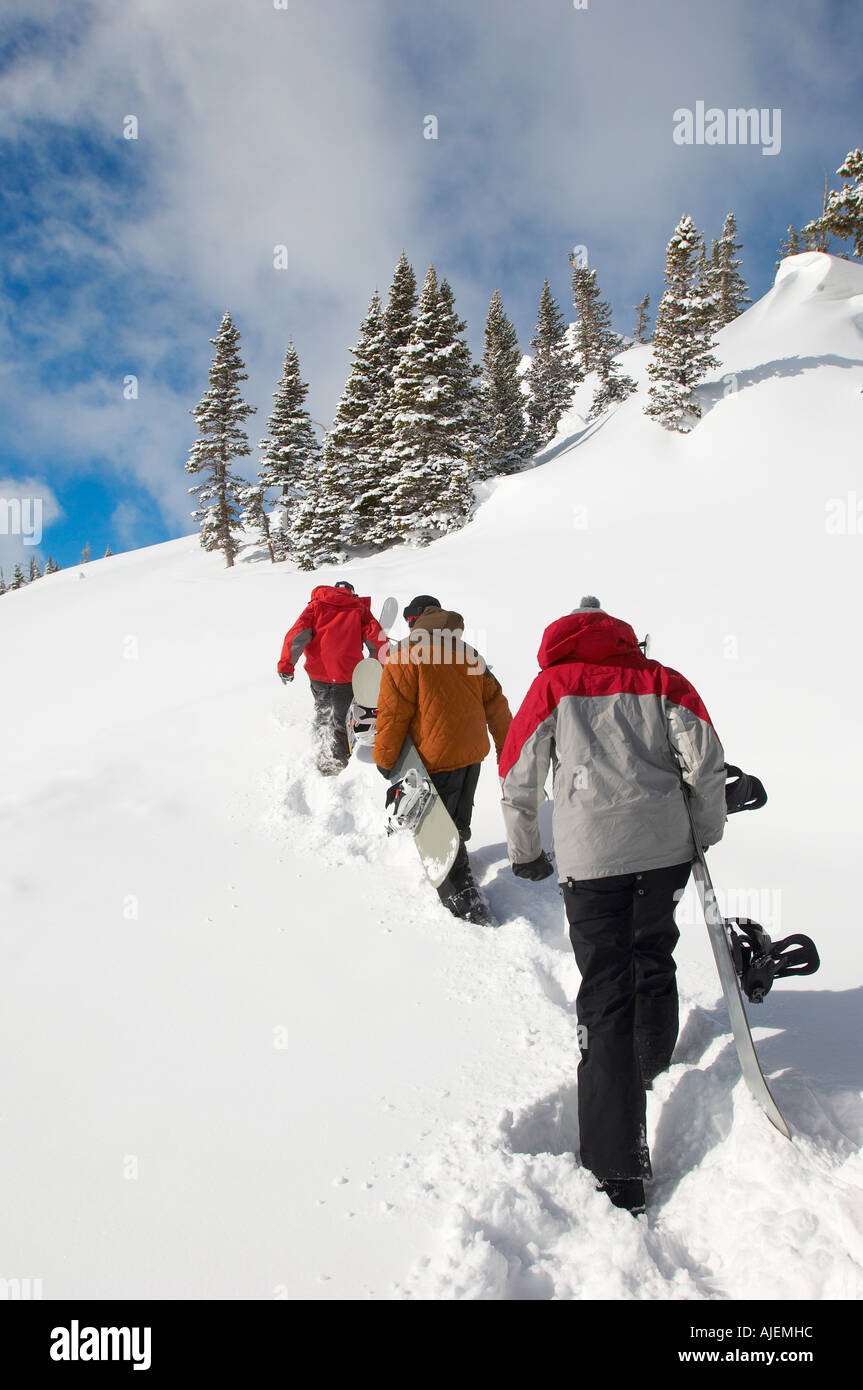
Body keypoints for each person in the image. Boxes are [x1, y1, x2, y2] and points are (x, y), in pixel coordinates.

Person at [499, 596, 726, 1215]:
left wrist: (525, 852)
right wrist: (702, 831)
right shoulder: (660, 679)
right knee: (653, 951)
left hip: (592, 860)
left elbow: (517, 772)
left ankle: (615, 1169)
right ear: (622, 635)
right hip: (664, 852)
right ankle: (653, 1063)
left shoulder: (553, 686)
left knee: (604, 991)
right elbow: (706, 761)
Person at [373, 596, 512, 924]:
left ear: (417, 620)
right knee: (457, 820)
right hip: (472, 754)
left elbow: (393, 716)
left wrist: (385, 758)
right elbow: (496, 703)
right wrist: (508, 749)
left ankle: (465, 902)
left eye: (409, 622)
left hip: (434, 760)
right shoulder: (470, 654)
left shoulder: (405, 657)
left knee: (439, 831)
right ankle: (459, 851)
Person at [278, 580, 389, 774]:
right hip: (347, 674)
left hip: (319, 673)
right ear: (352, 593)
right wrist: (378, 666)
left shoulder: (315, 606)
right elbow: (376, 638)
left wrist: (286, 665)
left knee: (324, 708)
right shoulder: (358, 608)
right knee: (342, 716)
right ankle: (336, 760)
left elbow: (297, 635)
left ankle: (324, 744)